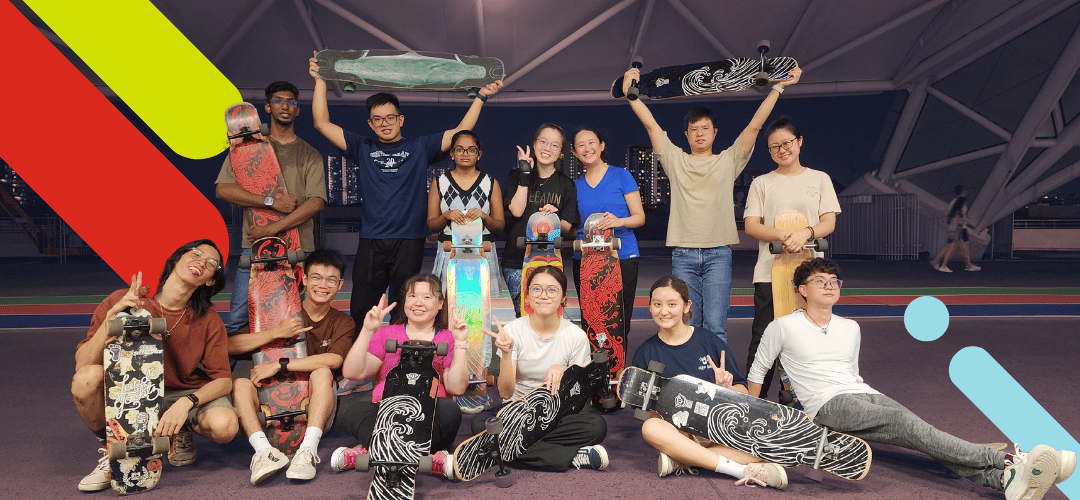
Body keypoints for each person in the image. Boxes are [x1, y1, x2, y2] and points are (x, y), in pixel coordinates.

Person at [748, 257, 1074, 500]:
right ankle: (1009, 460)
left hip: (860, 392)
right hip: (826, 405)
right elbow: (759, 369)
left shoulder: (851, 328)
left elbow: (849, 373)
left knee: (915, 433)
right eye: (821, 281)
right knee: (907, 424)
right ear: (802, 289)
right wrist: (754, 417)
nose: (830, 285)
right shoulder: (783, 327)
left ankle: (1005, 481)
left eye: (834, 280)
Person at [308, 53, 502, 327]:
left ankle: (397, 361)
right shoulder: (362, 147)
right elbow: (321, 124)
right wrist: (320, 80)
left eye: (390, 117)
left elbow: (461, 131)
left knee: (404, 309)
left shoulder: (419, 148)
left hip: (409, 240)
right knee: (362, 307)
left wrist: (481, 96)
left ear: (401, 119)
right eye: (377, 119)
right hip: (372, 240)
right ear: (370, 124)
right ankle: (360, 363)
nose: (384, 123)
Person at [622, 65, 802, 344]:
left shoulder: (728, 161)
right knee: (687, 324)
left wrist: (778, 88)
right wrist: (632, 96)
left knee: (717, 326)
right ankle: (693, 380)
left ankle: (716, 382)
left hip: (719, 254)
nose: (699, 133)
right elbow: (651, 125)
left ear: (715, 132)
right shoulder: (675, 160)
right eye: (694, 129)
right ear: (686, 135)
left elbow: (754, 126)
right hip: (684, 254)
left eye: (705, 128)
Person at [72, 240, 238, 492]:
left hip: (183, 391)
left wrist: (187, 402)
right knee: (86, 379)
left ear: (210, 281)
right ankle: (111, 449)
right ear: (175, 260)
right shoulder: (124, 300)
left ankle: (180, 428)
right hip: (134, 391)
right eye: (196, 254)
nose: (202, 262)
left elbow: (224, 380)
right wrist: (110, 318)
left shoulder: (208, 320)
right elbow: (82, 365)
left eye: (211, 263)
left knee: (225, 426)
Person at [629, 276, 787, 489]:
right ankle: (739, 470)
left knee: (763, 443)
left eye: (672, 304)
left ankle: (682, 459)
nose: (664, 311)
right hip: (678, 434)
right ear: (649, 307)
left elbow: (744, 392)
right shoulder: (645, 353)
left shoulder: (708, 339)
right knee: (650, 428)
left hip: (717, 427)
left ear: (687, 306)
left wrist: (727, 389)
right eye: (657, 304)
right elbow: (645, 412)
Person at [229, 250, 356, 484]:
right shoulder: (279, 313)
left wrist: (279, 364)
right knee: (240, 384)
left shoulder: (343, 322)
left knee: (322, 372)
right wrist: (276, 332)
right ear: (305, 279)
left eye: (330, 280)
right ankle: (263, 452)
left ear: (339, 285)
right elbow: (230, 345)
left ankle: (307, 451)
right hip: (268, 408)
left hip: (314, 410)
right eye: (316, 277)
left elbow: (334, 360)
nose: (323, 285)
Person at [329, 274, 470, 479]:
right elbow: (352, 372)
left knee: (450, 410)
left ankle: (373, 451)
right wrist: (368, 331)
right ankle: (427, 460)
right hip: (386, 415)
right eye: (412, 296)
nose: (418, 303)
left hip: (428, 417)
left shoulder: (447, 337)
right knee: (355, 410)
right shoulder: (387, 334)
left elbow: (456, 388)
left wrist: (460, 344)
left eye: (427, 297)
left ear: (440, 304)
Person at [216, 80, 326, 335]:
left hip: (300, 246)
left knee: (297, 318)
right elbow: (223, 189)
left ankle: (295, 372)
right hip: (255, 246)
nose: (285, 106)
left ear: (298, 110)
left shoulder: (310, 154)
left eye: (292, 102)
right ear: (267, 107)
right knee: (237, 318)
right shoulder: (247, 149)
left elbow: (316, 202)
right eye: (278, 100)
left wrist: (274, 227)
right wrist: (271, 202)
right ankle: (222, 374)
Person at [742, 116, 840, 400]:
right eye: (774, 147)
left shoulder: (820, 179)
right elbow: (752, 225)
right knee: (763, 339)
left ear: (799, 143)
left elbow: (828, 222)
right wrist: (785, 235)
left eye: (786, 143)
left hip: (812, 274)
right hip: (769, 272)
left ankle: (803, 398)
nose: (781, 150)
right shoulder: (761, 182)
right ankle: (753, 402)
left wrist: (806, 232)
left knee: (810, 338)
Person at [479, 265, 608, 471]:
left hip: (559, 412)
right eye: (536, 289)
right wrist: (506, 352)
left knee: (596, 427)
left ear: (564, 298)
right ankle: (573, 456)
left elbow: (578, 395)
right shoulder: (513, 331)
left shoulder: (575, 336)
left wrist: (565, 375)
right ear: (527, 296)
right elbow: (505, 392)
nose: (543, 296)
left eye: (552, 290)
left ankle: (508, 449)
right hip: (519, 410)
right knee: (480, 427)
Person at [570, 126, 644, 339]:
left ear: (601, 146)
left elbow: (639, 217)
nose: (587, 148)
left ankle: (617, 371)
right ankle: (594, 370)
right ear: (574, 153)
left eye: (591, 142)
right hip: (586, 257)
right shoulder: (574, 186)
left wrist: (618, 220)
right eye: (580, 145)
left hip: (622, 255)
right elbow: (572, 226)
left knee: (619, 319)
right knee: (591, 320)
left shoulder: (622, 176)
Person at [501, 124, 580, 317]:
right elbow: (517, 211)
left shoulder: (566, 184)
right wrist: (525, 173)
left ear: (561, 152)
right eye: (543, 142)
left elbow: (567, 228)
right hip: (516, 261)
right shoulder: (516, 176)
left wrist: (553, 219)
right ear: (535, 144)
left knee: (548, 317)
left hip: (550, 262)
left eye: (554, 145)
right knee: (524, 317)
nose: (547, 148)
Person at [427, 129, 505, 295]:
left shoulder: (490, 182)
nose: (465, 153)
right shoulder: (439, 182)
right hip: (449, 251)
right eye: (459, 149)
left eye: (471, 150)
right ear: (452, 154)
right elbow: (432, 225)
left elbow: (499, 226)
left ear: (479, 154)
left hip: (483, 251)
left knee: (483, 307)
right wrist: (445, 216)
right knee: (448, 307)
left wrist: (484, 216)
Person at [931, 185, 982, 272]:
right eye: (965, 190)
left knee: (955, 246)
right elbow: (961, 214)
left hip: (954, 227)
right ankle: (943, 265)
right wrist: (964, 223)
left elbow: (950, 214)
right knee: (957, 247)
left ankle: (967, 264)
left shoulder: (953, 202)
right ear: (963, 192)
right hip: (959, 228)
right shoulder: (961, 201)